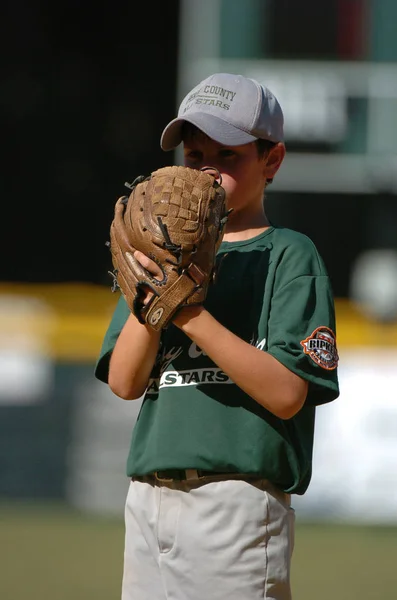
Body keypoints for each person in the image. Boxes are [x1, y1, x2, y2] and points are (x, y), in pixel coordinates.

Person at [95, 72, 340, 600]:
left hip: (237, 504)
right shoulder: (161, 254)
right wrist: (155, 293)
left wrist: (186, 311)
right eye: (194, 154)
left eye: (228, 156)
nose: (207, 170)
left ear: (271, 160)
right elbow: (124, 382)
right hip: (148, 497)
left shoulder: (288, 254)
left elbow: (288, 394)